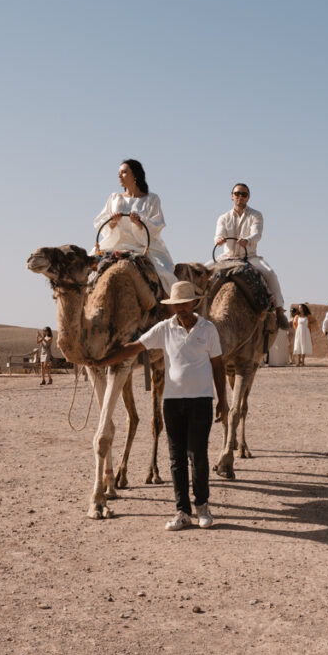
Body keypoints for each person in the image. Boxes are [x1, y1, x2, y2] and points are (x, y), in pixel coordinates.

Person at [86, 281, 228, 530]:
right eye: (176, 305)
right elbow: (134, 347)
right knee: (176, 459)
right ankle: (182, 511)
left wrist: (223, 401)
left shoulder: (208, 330)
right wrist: (101, 361)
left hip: (201, 401)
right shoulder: (165, 328)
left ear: (195, 303)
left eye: (184, 303)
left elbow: (218, 365)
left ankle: (202, 507)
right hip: (172, 403)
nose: (180, 309)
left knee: (198, 456)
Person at [211, 183, 288, 329]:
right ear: (232, 196)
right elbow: (218, 234)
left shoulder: (256, 215)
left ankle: (279, 312)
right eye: (237, 193)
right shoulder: (223, 217)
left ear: (248, 197)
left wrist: (248, 240)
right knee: (202, 272)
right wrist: (219, 240)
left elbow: (256, 233)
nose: (240, 197)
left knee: (270, 274)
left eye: (244, 194)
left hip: (249, 257)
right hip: (227, 258)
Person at [94, 159, 176, 295]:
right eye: (119, 173)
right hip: (115, 244)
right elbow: (101, 221)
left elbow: (157, 224)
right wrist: (112, 222)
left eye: (124, 172)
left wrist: (139, 222)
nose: (120, 176)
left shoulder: (151, 199)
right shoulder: (114, 198)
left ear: (135, 175)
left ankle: (173, 309)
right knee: (89, 270)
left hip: (144, 246)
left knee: (164, 275)